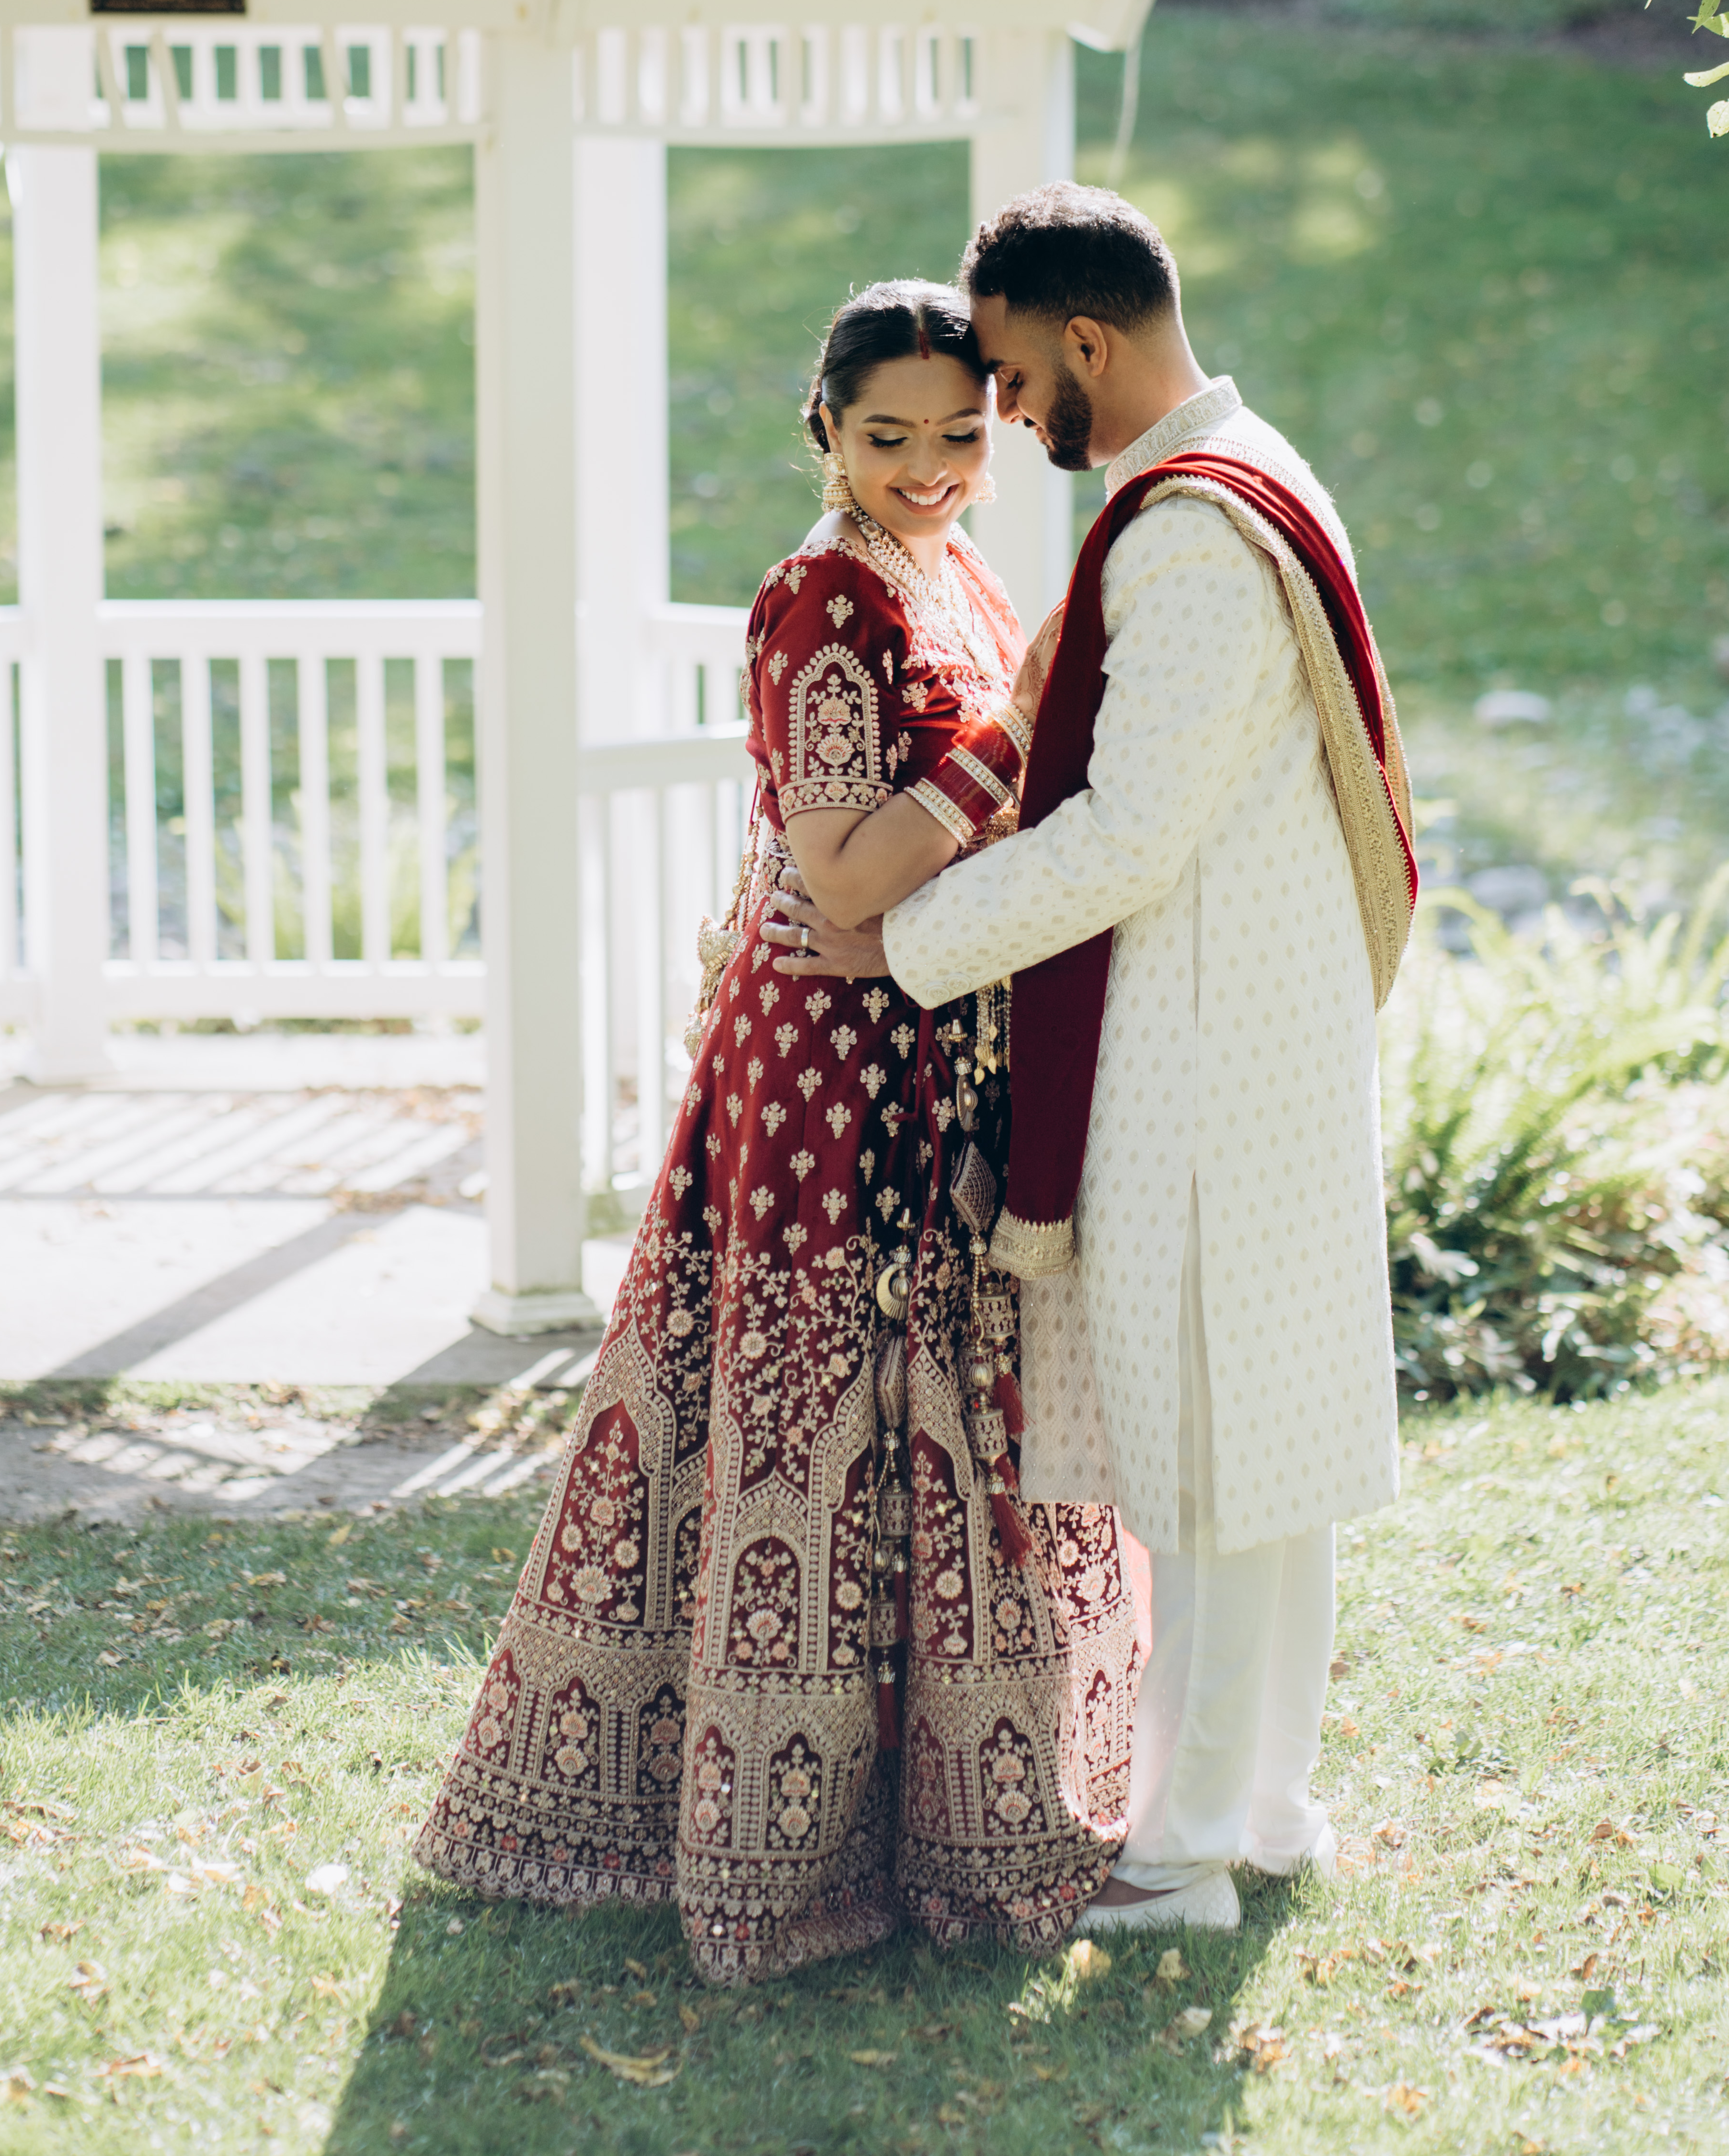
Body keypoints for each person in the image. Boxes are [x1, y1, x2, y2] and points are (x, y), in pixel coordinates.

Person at [415, 279, 1138, 1983]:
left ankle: (965, 1814)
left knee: (945, 1406)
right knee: (817, 1420)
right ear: (823, 426)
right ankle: (779, 1840)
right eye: (886, 436)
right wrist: (1013, 730)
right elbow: (844, 873)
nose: (929, 466)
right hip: (827, 1064)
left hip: (932, 1032)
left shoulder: (954, 570)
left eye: (958, 433)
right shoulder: (819, 596)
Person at [773, 186, 1416, 1934]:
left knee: (1204, 1460)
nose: (999, 415)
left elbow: (1128, 835)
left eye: (1005, 377)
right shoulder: (1256, 468)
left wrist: (904, 943)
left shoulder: (1187, 531)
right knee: (1261, 1452)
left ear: (1082, 341)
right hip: (1259, 1029)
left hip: (1204, 1051)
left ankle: (1180, 1851)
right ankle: (1260, 1806)